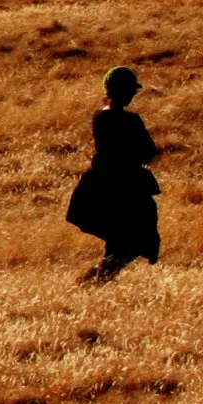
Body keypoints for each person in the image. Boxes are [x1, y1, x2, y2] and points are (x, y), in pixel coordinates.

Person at [67, 67, 161, 281]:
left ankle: (96, 278)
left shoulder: (99, 117)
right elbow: (148, 152)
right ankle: (97, 277)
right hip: (127, 187)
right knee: (134, 239)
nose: (133, 95)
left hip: (101, 185)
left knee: (118, 238)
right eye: (130, 90)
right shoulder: (131, 120)